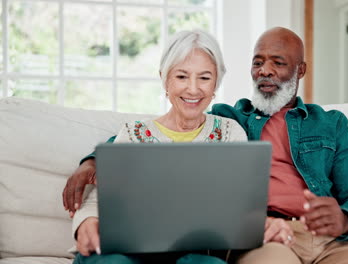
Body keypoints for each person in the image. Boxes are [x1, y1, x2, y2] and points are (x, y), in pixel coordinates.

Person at [64, 27, 348, 264]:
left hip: (327, 237)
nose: (266, 70)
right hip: (268, 236)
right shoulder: (232, 118)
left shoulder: (327, 124)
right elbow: (138, 147)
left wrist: (346, 219)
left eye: (278, 62)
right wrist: (93, 162)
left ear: (300, 69)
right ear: (164, 78)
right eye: (258, 61)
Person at [70, 30, 247, 264]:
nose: (193, 89)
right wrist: (87, 222)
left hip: (194, 253)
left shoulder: (230, 133)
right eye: (182, 77)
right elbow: (99, 199)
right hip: (129, 250)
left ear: (216, 82)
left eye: (204, 78)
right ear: (165, 78)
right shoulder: (133, 134)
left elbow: (239, 203)